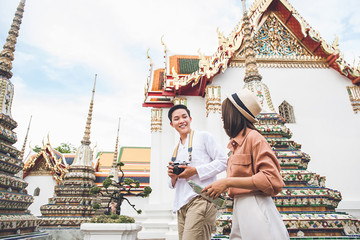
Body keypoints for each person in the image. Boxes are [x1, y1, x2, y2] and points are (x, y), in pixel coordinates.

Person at [202, 89, 290, 240]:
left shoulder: (254, 138)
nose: (222, 117)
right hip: (239, 207)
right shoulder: (235, 146)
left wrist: (227, 182)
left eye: (225, 112)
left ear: (235, 114)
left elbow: (272, 179)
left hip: (256, 204)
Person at [167, 104, 227, 240]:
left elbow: (224, 161)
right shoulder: (175, 149)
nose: (181, 121)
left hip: (201, 198)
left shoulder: (204, 137)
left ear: (190, 118)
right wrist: (173, 177)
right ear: (172, 124)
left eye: (184, 117)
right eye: (176, 119)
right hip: (181, 203)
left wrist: (195, 171)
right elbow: (171, 184)